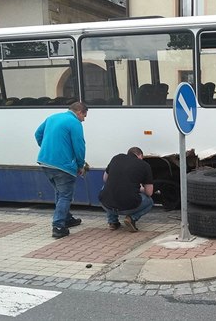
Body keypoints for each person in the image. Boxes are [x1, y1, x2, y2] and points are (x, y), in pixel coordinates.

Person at [35, 102, 88, 238]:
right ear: (79, 112)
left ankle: (66, 218)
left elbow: (38, 134)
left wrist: (48, 149)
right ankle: (58, 226)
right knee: (65, 196)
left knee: (59, 192)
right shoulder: (75, 123)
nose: (84, 119)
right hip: (63, 166)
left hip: (45, 161)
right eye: (84, 116)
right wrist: (80, 164)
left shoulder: (52, 117)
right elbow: (79, 146)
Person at [98, 147, 154, 232]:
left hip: (106, 205)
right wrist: (140, 188)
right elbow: (149, 192)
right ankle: (131, 218)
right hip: (128, 206)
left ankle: (113, 222)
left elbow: (105, 179)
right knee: (149, 202)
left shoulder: (116, 158)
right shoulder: (144, 165)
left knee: (107, 188)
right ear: (140, 155)